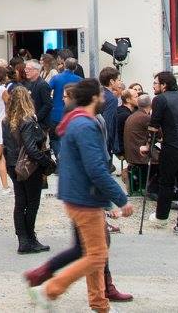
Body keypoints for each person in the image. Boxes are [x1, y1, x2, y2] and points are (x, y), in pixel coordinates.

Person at [25, 79, 132, 309]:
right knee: (96, 255)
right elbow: (96, 169)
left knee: (92, 251)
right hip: (86, 197)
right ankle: (49, 290)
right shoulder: (85, 125)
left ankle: (99, 303)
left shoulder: (75, 121)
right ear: (93, 98)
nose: (105, 99)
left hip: (78, 195)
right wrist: (121, 199)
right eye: (102, 95)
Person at [147, 70, 178, 234]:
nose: (154, 86)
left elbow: (154, 126)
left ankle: (162, 217)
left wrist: (149, 145)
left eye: (156, 83)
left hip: (173, 146)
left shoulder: (159, 99)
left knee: (166, 183)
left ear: (164, 85)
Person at [3, 86, 51, 254]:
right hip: (29, 165)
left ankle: (23, 239)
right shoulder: (28, 120)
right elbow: (31, 148)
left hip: (12, 163)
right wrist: (46, 161)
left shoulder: (6, 120)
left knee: (20, 201)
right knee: (32, 202)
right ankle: (30, 237)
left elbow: (5, 145)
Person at [123, 94, 157, 195]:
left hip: (131, 153)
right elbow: (159, 133)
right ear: (151, 105)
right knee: (167, 158)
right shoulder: (145, 117)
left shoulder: (133, 115)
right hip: (140, 155)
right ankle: (155, 190)